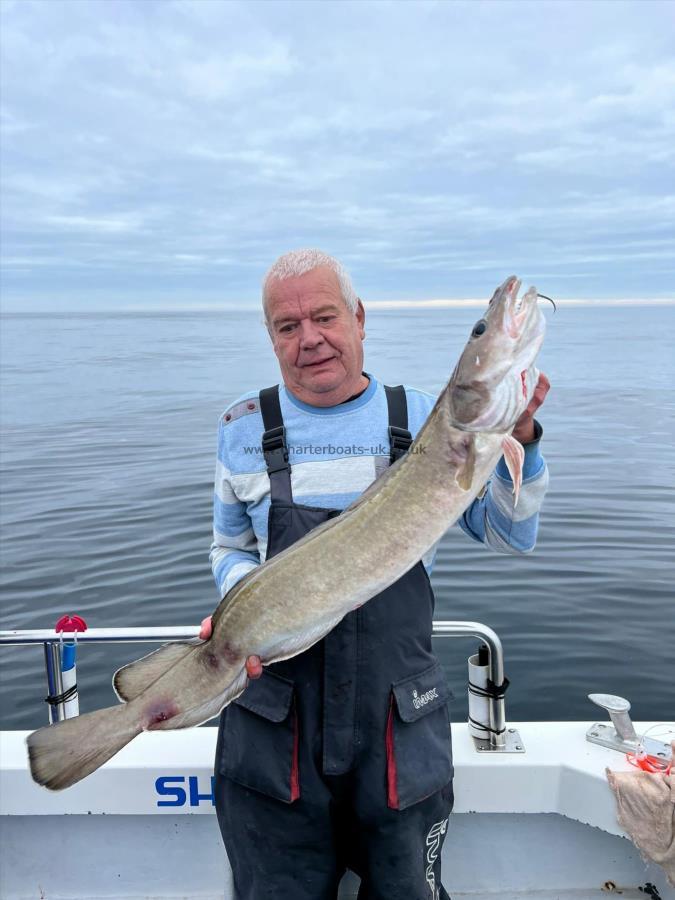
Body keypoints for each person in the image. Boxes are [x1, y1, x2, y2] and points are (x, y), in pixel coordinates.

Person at [202, 249, 550, 900]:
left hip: (397, 719)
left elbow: (510, 533)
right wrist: (241, 607)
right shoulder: (242, 427)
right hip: (272, 716)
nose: (310, 339)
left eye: (325, 316)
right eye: (287, 325)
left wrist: (522, 443)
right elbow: (228, 546)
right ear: (270, 336)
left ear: (359, 319)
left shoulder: (423, 417)